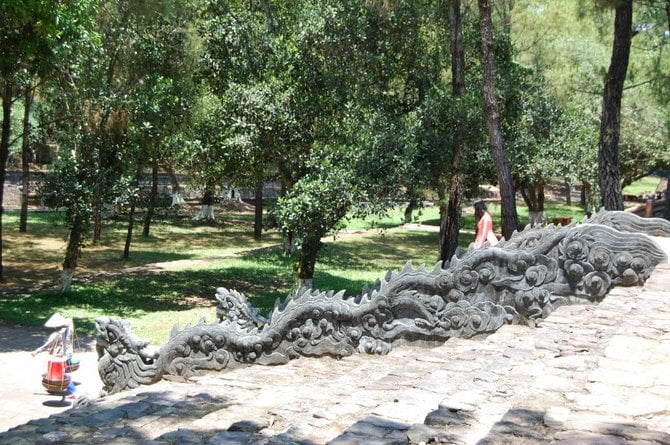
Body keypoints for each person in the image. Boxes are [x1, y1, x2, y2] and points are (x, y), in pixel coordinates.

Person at [32, 313, 76, 398]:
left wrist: (37, 351)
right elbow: (70, 322)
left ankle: (72, 391)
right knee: (58, 372)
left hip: (60, 356)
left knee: (62, 373)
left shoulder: (56, 334)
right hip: (68, 354)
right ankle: (53, 388)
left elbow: (47, 345)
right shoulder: (69, 329)